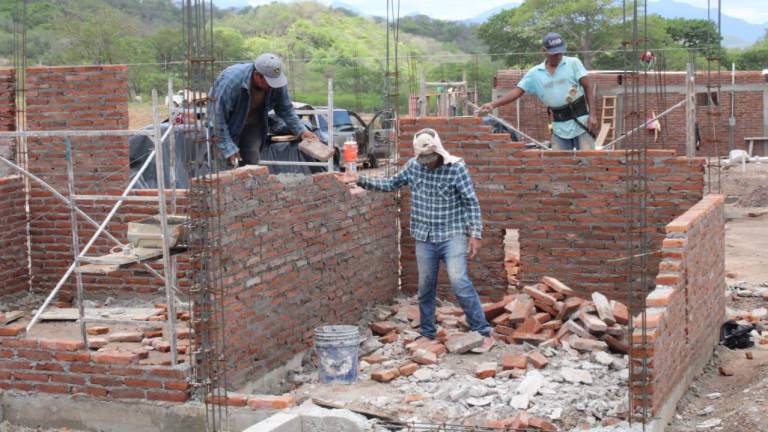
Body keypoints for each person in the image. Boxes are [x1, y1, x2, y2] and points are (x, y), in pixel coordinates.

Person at [341, 129, 494, 351]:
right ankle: (428, 333)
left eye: (431, 159)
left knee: (459, 280)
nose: (427, 163)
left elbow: (471, 202)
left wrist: (476, 234)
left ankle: (482, 331)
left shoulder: (456, 168)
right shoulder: (414, 166)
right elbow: (390, 184)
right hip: (424, 236)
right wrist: (359, 179)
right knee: (425, 287)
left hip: (453, 234)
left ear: (438, 151)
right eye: (424, 159)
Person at [478, 32, 598, 151]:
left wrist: (592, 115)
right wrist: (492, 104)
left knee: (588, 163)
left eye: (560, 52)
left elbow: (588, 86)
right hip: (559, 128)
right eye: (554, 53)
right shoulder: (535, 73)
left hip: (581, 123)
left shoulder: (573, 63)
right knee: (560, 164)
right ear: (544, 51)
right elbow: (517, 92)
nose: (558, 56)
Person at [211, 53, 317, 167]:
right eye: (270, 82)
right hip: (227, 125)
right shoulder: (231, 82)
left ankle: (251, 183)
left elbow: (286, 110)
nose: (274, 86)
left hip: (253, 124)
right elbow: (216, 116)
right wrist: (228, 147)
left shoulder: (276, 81)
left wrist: (302, 131)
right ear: (257, 76)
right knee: (226, 163)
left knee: (251, 162)